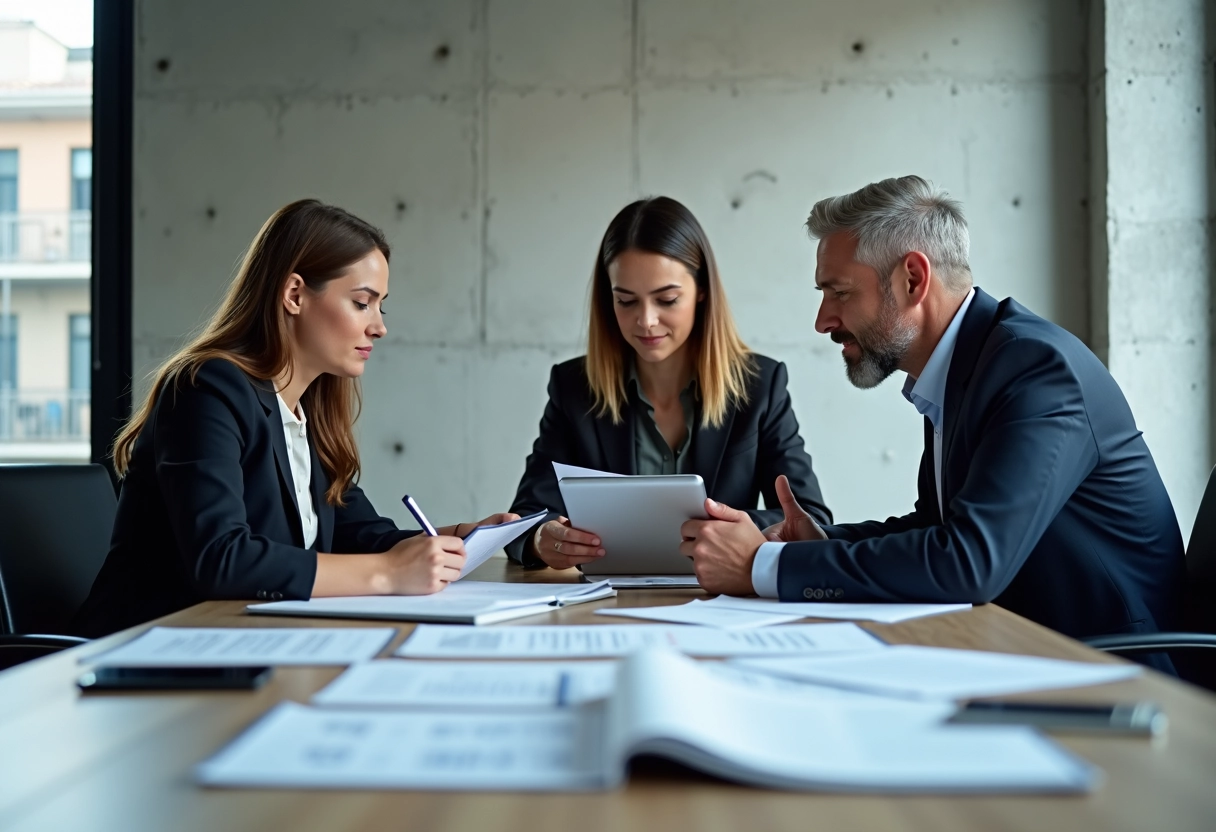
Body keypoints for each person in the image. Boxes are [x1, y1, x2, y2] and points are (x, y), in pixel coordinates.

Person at [679, 176, 1186, 667]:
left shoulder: (1034, 370)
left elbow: (969, 561)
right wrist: (822, 544)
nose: (823, 320)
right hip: (1028, 652)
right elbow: (938, 529)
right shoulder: (967, 366)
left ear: (913, 280)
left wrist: (763, 565)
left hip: (1116, 672)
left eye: (840, 293)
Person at [74, 199, 516, 636]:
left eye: (381, 306)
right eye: (362, 303)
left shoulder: (308, 409)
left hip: (253, 640)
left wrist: (462, 537)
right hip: (152, 649)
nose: (379, 326)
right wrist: (387, 573)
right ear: (294, 295)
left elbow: (356, 535)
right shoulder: (206, 388)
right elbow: (221, 558)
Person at [506, 196, 831, 569]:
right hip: (609, 597)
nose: (646, 320)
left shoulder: (760, 386)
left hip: (722, 596)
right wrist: (541, 538)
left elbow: (812, 519)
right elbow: (525, 520)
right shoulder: (574, 388)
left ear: (701, 290)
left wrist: (734, 531)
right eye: (626, 301)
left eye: (667, 299)